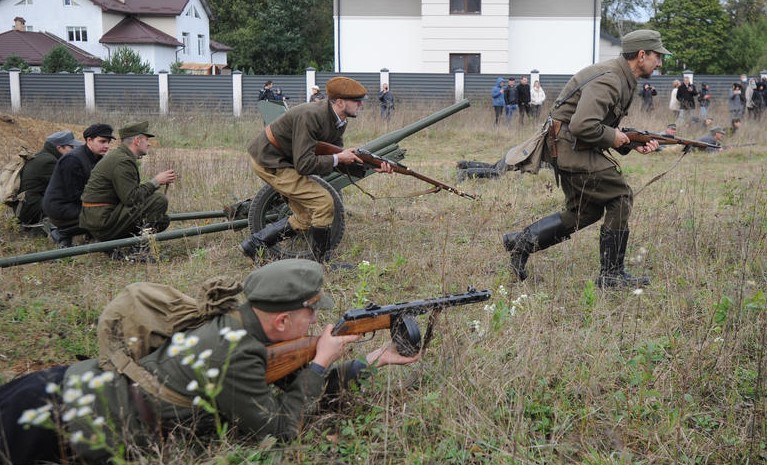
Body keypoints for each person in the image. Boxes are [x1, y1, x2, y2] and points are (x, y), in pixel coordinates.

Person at [0, 259, 420, 465]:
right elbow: (281, 428)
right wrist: (318, 365)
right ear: (281, 320)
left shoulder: (239, 324)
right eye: (311, 312)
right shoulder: (235, 351)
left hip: (60, 386)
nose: (316, 320)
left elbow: (278, 388)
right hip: (57, 422)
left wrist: (372, 361)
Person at [501, 29, 670, 288]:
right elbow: (583, 125)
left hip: (572, 145)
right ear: (641, 55)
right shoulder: (611, 80)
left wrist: (629, 144)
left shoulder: (622, 78)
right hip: (569, 146)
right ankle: (611, 275)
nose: (659, 63)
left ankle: (520, 243)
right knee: (620, 195)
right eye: (657, 57)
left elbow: (600, 127)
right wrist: (614, 138)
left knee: (584, 213)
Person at [239, 77, 393, 263]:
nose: (361, 104)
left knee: (304, 217)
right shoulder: (311, 116)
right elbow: (306, 165)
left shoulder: (338, 120)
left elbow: (334, 158)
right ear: (339, 102)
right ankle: (320, 262)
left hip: (286, 160)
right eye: (356, 101)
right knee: (323, 202)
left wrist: (370, 167)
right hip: (270, 160)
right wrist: (339, 157)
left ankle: (254, 245)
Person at [79, 122, 175, 243]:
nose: (149, 144)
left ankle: (124, 242)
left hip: (98, 217)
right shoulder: (123, 161)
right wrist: (156, 181)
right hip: (101, 221)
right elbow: (131, 198)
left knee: (162, 220)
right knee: (158, 200)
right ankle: (137, 247)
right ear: (137, 140)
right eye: (146, 139)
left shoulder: (120, 156)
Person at [42, 124, 114, 247]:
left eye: (108, 142)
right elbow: (74, 194)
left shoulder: (96, 158)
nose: (106, 146)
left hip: (73, 204)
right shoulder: (73, 160)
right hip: (61, 207)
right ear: (89, 140)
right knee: (106, 214)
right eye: (102, 141)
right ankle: (63, 233)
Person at [14, 131, 81, 226]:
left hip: (27, 205)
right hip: (31, 209)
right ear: (59, 148)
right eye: (71, 147)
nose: (73, 150)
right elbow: (67, 187)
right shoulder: (49, 161)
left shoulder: (43, 156)